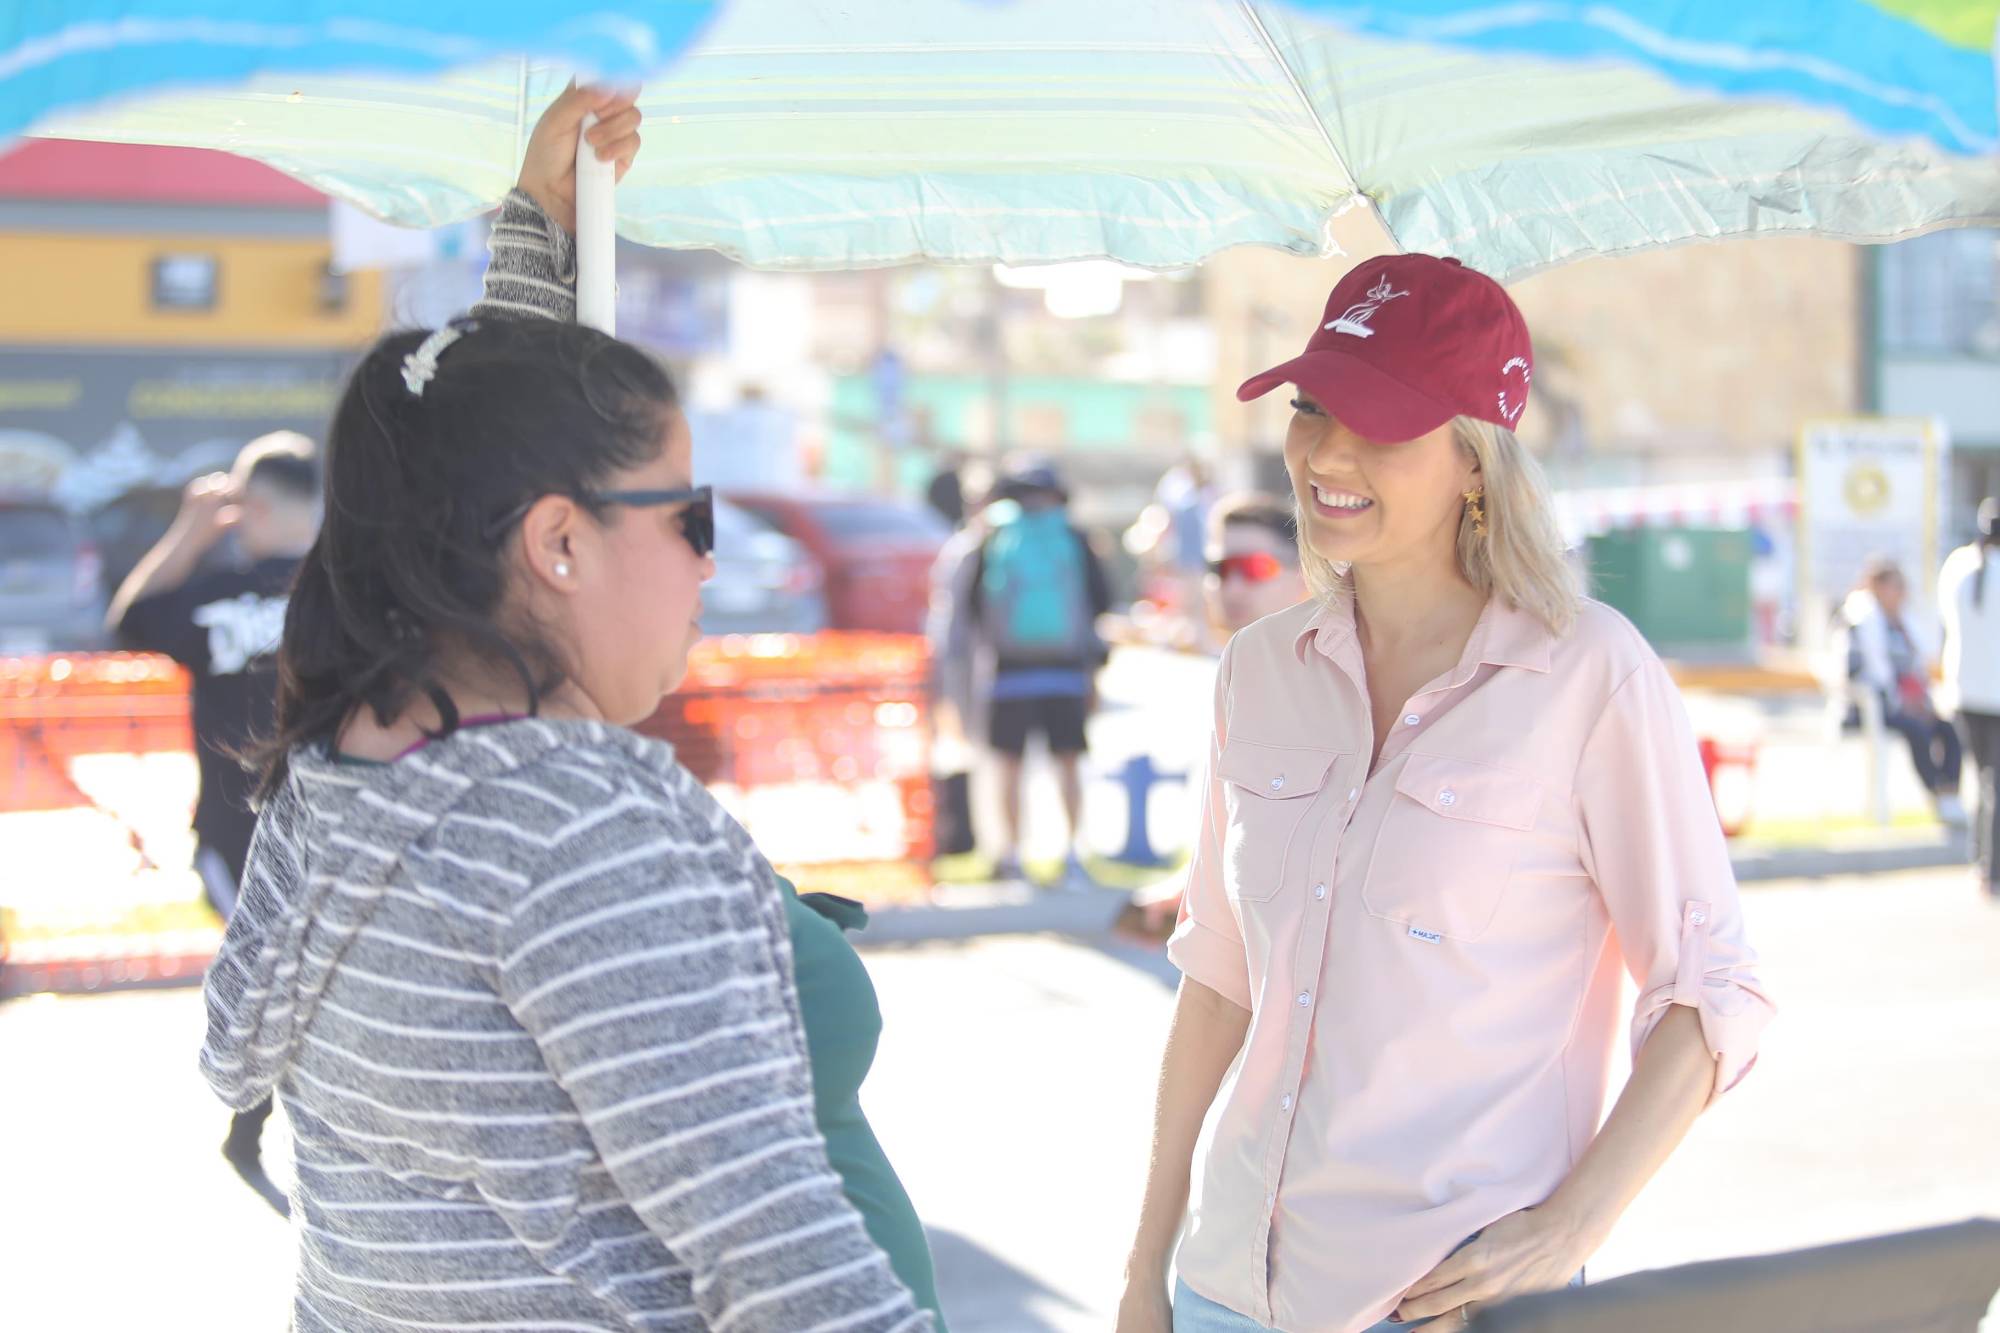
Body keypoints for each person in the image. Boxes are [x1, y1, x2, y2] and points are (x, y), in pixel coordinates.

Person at [200, 88, 936, 1332]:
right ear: (555, 544)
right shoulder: (577, 825)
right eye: (687, 515)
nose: (711, 559)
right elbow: (783, 1259)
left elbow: (460, 471)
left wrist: (534, 250)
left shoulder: (345, 766)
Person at [1116, 254, 1775, 1333]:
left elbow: (1710, 993)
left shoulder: (1587, 675)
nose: (1324, 451)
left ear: (1475, 462)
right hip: (1221, 1291)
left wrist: (1574, 1224)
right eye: (1310, 406)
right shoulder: (1259, 670)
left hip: (1436, 1305)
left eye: (1377, 423)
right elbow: (1218, 979)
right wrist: (1147, 1270)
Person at [108, 429, 320, 1207]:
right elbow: (133, 625)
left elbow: (130, 612)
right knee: (272, 985)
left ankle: (254, 1130)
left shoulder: (338, 589)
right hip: (256, 838)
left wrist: (190, 531)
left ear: (249, 505)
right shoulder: (347, 589)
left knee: (286, 989)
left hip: (287, 831)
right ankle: (250, 1130)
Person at [1116, 493, 1307, 943]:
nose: (1232, 587)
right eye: (1220, 570)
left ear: (1308, 573)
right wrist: (1192, 885)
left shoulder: (1324, 684)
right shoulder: (1244, 673)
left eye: (1254, 569)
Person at [954, 460, 1112, 889]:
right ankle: (1075, 854)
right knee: (1068, 763)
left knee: (1009, 766)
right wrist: (1094, 672)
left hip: (1009, 670)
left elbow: (972, 611)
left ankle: (1011, 857)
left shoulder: (995, 536)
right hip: (1065, 669)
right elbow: (1099, 604)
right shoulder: (1074, 538)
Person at [1844, 557, 1965, 824]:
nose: (1901, 593)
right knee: (1918, 732)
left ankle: (1950, 794)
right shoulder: (1863, 620)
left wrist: (1922, 699)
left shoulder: (1904, 622)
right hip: (1874, 704)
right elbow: (1872, 673)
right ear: (1879, 588)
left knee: (1949, 730)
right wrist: (1902, 701)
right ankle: (1936, 792)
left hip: (1910, 702)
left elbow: (1921, 663)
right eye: (1895, 587)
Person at [1940, 500, 2000, 898]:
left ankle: (1980, 860)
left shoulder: (1958, 565)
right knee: (1994, 783)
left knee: (1983, 779)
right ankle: (1991, 868)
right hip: (1994, 693)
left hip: (1964, 692)